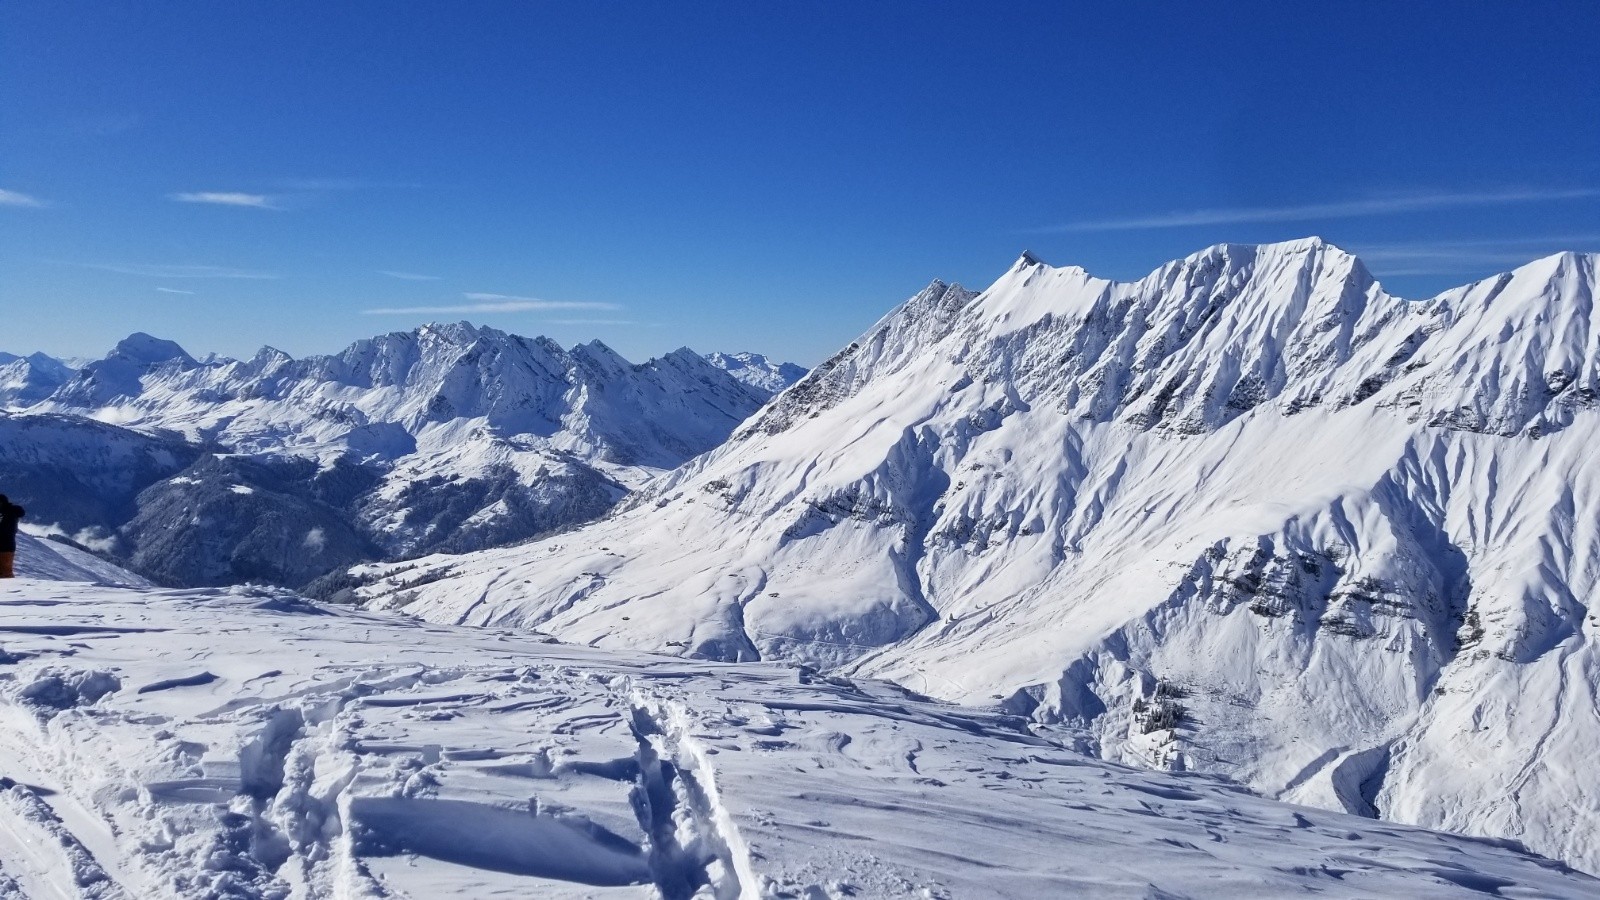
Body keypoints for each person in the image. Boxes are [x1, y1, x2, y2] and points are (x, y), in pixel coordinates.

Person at [0, 495, 24, 578]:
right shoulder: (10, 512)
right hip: (8, 545)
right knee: (4, 571)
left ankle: (9, 589)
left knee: (5, 572)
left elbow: (4, 529)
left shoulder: (8, 513)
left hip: (5, 546)